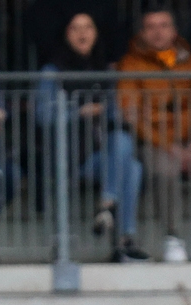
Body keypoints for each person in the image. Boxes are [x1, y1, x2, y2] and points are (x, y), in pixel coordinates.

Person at [36, 12, 149, 263]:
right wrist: (79, 112)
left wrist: (118, 111)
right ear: (66, 35)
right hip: (71, 155)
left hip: (101, 152)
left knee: (130, 159)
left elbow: (112, 111)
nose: (82, 33)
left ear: (96, 34)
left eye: (88, 27)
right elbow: (44, 115)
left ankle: (116, 225)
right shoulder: (53, 70)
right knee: (128, 164)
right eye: (75, 28)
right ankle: (118, 231)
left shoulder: (105, 69)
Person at [117, 7, 191, 263]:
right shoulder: (130, 64)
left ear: (174, 31)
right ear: (142, 33)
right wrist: (170, 147)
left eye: (163, 25)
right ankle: (172, 238)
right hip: (153, 143)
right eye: (151, 26)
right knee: (165, 169)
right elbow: (132, 114)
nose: (158, 32)